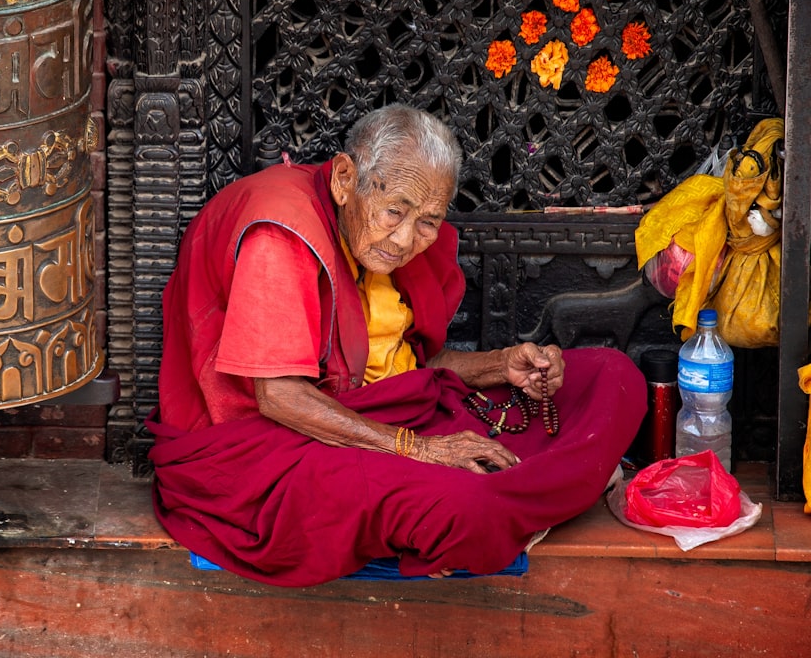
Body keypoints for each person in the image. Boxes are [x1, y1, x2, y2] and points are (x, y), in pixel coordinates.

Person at [148, 104, 646, 587]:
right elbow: (279, 397)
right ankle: (545, 490)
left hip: (378, 414)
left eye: (428, 221)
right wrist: (420, 450)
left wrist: (502, 366)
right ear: (345, 180)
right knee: (464, 509)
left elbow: (409, 366)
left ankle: (529, 493)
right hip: (273, 445)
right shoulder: (283, 236)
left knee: (613, 375)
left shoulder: (370, 234)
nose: (406, 239)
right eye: (395, 212)